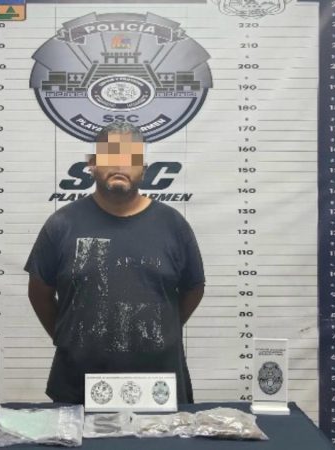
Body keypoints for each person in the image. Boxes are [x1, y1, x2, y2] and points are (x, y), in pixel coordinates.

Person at [25, 121, 205, 404]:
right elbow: (39, 293)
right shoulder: (61, 225)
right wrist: (70, 338)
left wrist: (163, 329)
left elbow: (194, 289)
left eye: (130, 157)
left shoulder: (173, 225)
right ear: (92, 165)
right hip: (79, 383)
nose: (120, 164)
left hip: (158, 387)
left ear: (144, 169)